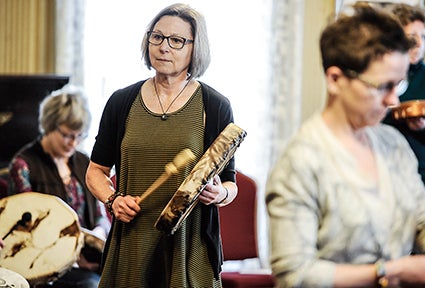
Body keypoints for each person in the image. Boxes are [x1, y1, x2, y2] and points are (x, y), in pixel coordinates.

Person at [266, 3, 425, 288]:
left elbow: (420, 220)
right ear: (336, 79)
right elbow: (296, 275)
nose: (392, 101)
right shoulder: (301, 162)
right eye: (382, 86)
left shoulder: (394, 145)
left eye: (398, 85)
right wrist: (391, 272)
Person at [85, 3, 237, 288]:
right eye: (157, 36)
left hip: (188, 246)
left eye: (177, 41)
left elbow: (230, 185)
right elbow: (95, 172)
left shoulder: (215, 106)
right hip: (131, 240)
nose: (164, 47)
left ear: (195, 48)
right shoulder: (122, 102)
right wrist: (113, 199)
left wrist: (218, 194)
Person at [8, 85, 111, 288]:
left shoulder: (84, 162)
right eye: (67, 135)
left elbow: (100, 214)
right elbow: (25, 230)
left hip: (87, 259)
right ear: (49, 125)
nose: (73, 143)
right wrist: (70, 257)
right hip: (42, 262)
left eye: (80, 136)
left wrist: (99, 232)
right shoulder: (23, 164)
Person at [382, 3, 425, 184]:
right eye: (412, 37)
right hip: (385, 169)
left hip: (420, 172)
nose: (420, 44)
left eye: (424, 36)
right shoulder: (381, 75)